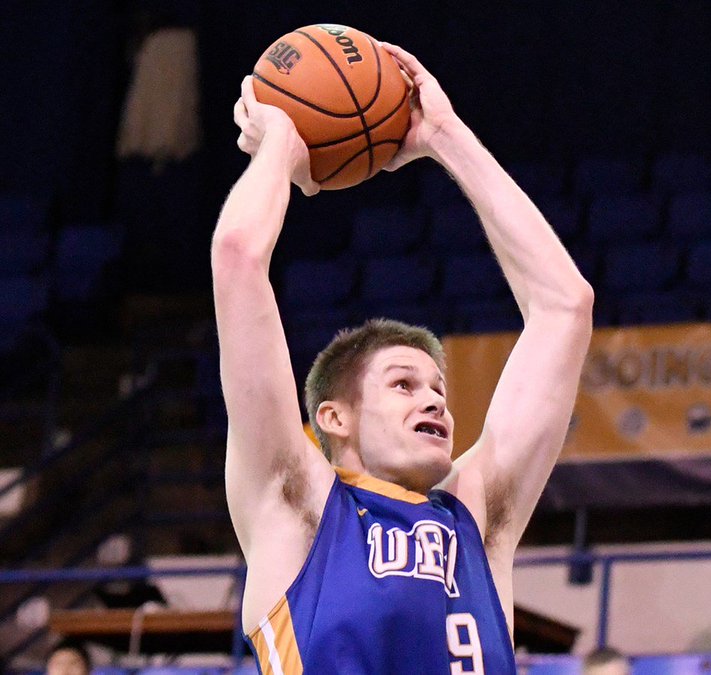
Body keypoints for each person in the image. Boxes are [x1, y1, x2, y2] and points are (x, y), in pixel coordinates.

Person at [214, 42, 593, 673]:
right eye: (403, 384)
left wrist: (444, 135)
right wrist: (281, 140)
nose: (435, 398)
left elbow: (566, 306)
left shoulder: (477, 520)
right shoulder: (295, 504)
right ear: (333, 417)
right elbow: (237, 259)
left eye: (437, 387)